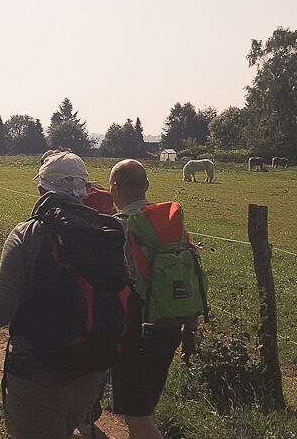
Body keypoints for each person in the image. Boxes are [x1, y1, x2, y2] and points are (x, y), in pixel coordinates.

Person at [0, 152, 121, 438]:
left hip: (38, 373)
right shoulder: (109, 230)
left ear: (41, 190)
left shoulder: (27, 234)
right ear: (85, 190)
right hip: (93, 370)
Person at [108, 159, 198, 439]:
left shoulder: (116, 228)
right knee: (146, 405)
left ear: (114, 189)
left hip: (134, 332)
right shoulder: (169, 223)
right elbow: (189, 275)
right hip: (169, 326)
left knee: (139, 420)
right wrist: (190, 329)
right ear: (147, 185)